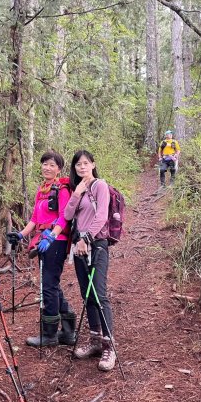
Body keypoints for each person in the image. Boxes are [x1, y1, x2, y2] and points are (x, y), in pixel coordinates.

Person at [11, 150, 76, 347]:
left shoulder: (62, 189)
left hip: (56, 241)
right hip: (42, 240)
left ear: (59, 169)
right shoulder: (43, 189)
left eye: (52, 165)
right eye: (45, 164)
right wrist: (21, 234)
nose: (47, 168)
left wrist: (52, 235)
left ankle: (49, 335)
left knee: (48, 286)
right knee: (52, 285)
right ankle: (68, 331)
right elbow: (34, 219)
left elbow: (65, 216)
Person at [64, 150, 116, 372]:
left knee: (99, 293)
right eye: (78, 164)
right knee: (87, 294)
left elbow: (102, 214)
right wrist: (76, 193)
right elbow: (67, 216)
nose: (82, 167)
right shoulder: (79, 190)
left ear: (93, 164)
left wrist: (87, 238)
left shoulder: (100, 185)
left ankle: (108, 345)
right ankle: (95, 340)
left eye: (86, 163)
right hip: (79, 246)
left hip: (96, 245)